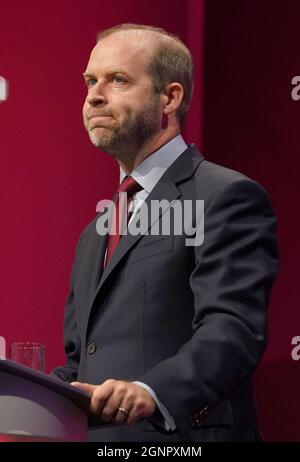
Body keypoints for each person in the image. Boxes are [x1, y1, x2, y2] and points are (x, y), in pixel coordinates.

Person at [52, 23, 279, 442]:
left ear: (169, 98)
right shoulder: (95, 233)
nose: (94, 96)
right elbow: (80, 361)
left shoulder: (225, 196)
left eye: (118, 80)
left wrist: (151, 391)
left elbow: (232, 330)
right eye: (90, 81)